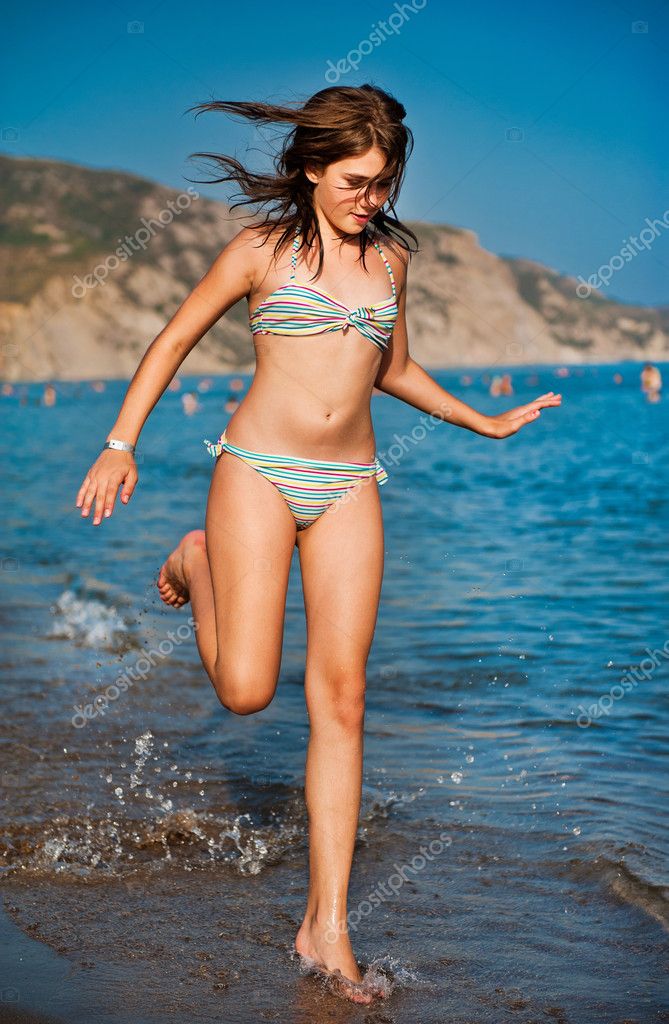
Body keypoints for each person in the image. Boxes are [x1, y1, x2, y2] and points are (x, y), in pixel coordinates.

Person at [74, 84, 561, 1005]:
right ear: (308, 167)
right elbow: (173, 340)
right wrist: (120, 443)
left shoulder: (389, 264)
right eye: (354, 181)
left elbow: (396, 368)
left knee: (341, 699)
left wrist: (483, 423)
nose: (369, 199)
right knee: (247, 691)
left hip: (349, 487)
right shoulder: (261, 251)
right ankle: (195, 558)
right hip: (255, 472)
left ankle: (325, 925)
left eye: (383, 184)